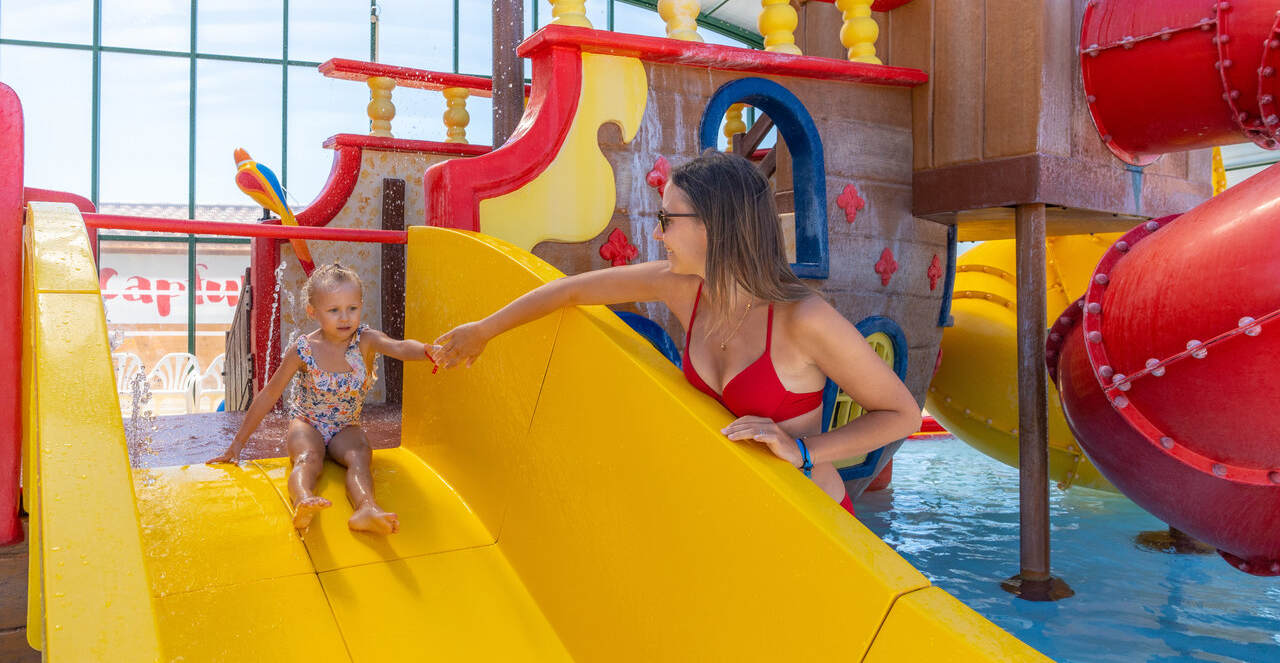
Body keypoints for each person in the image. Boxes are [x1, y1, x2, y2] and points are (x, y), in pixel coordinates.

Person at [431, 150, 920, 515]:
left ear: (716, 224)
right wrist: (485, 330)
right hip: (742, 517)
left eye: (667, 219)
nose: (657, 233)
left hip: (817, 521)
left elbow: (901, 414)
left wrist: (804, 450)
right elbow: (569, 292)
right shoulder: (684, 288)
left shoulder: (803, 319)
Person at [208, 262, 440, 533]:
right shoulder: (304, 350)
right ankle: (303, 500)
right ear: (313, 312)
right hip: (307, 423)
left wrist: (427, 350)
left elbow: (399, 347)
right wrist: (238, 443)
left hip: (346, 426)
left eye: (352, 308)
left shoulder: (365, 340)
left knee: (361, 455)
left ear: (360, 306)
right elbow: (270, 393)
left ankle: (366, 508)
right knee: (309, 458)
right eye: (334, 310)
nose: (345, 318)